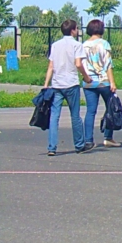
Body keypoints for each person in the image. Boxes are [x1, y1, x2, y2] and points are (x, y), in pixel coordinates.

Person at [42, 20, 93, 155]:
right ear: (73, 30)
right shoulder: (77, 45)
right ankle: (79, 145)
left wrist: (46, 85)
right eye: (76, 29)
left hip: (57, 84)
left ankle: (52, 147)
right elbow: (78, 64)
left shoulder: (55, 45)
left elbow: (51, 66)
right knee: (75, 115)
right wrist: (86, 77)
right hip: (71, 83)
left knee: (54, 116)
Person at [81, 19, 119, 149]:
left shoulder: (84, 45)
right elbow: (108, 64)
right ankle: (108, 137)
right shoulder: (104, 44)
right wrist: (112, 82)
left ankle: (88, 140)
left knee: (90, 111)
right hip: (103, 81)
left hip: (88, 82)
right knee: (110, 108)